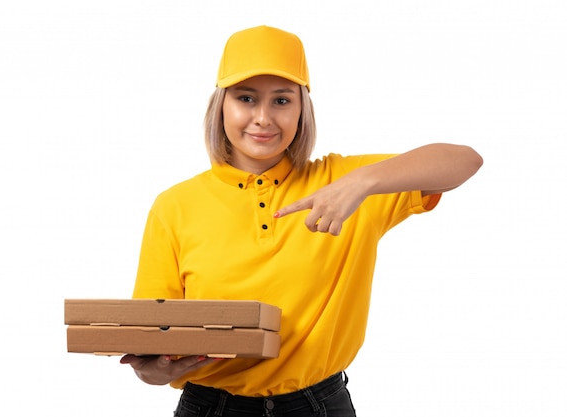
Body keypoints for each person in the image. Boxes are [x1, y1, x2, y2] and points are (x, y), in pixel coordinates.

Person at [120, 25, 483, 417]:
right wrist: (155, 371)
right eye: (246, 98)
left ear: (301, 109)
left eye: (281, 100)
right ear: (221, 105)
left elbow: (465, 161)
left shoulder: (343, 183)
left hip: (318, 405)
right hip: (211, 406)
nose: (263, 118)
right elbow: (154, 336)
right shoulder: (174, 206)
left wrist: (362, 182)